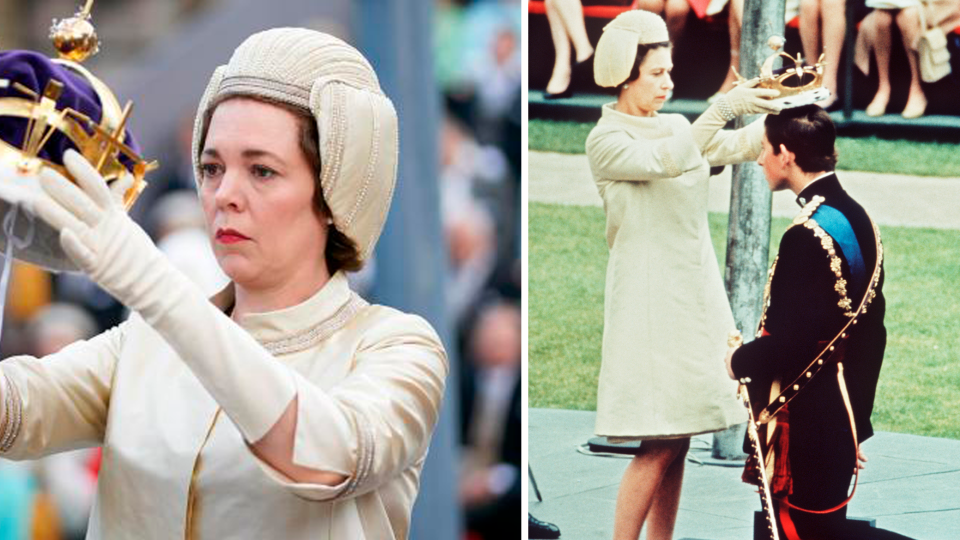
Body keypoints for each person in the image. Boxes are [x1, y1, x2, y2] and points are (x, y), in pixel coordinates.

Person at [0, 28, 447, 539]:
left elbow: (327, 457)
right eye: (212, 168)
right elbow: (17, 410)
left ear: (332, 194)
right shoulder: (146, 341)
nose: (223, 194)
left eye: (261, 171)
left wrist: (150, 281)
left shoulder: (399, 346)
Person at [585, 10, 782, 540]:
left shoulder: (676, 124)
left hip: (692, 293)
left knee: (681, 434)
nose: (668, 82)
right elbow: (670, 160)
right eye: (656, 74)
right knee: (660, 440)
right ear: (625, 76)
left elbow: (739, 147)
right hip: (648, 300)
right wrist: (723, 106)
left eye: (670, 71)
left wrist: (781, 102)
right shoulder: (605, 139)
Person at [725, 105, 913, 540]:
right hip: (840, 411)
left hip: (805, 421)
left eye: (765, 150)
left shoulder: (805, 236)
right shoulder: (859, 217)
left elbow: (791, 342)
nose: (760, 160)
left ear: (786, 154)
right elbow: (872, 335)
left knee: (805, 532)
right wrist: (856, 421)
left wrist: (738, 360)